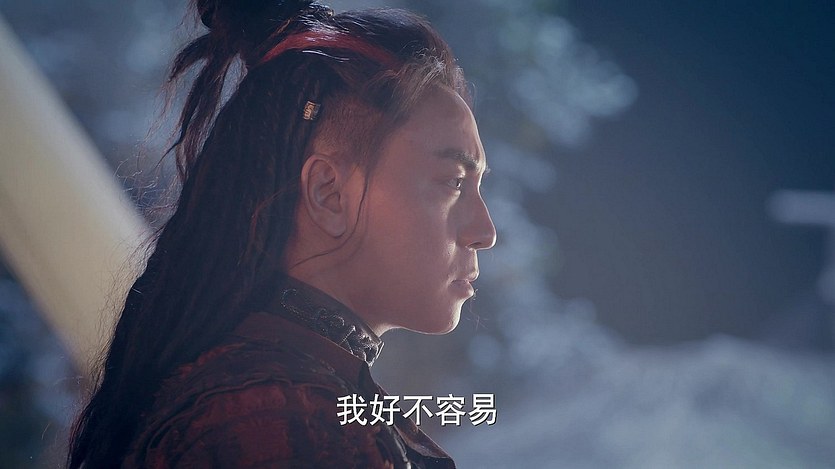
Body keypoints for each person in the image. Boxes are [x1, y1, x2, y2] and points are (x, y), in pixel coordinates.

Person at [67, 0, 496, 467]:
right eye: (454, 182)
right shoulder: (278, 421)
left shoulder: (280, 399)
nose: (485, 232)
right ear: (329, 193)